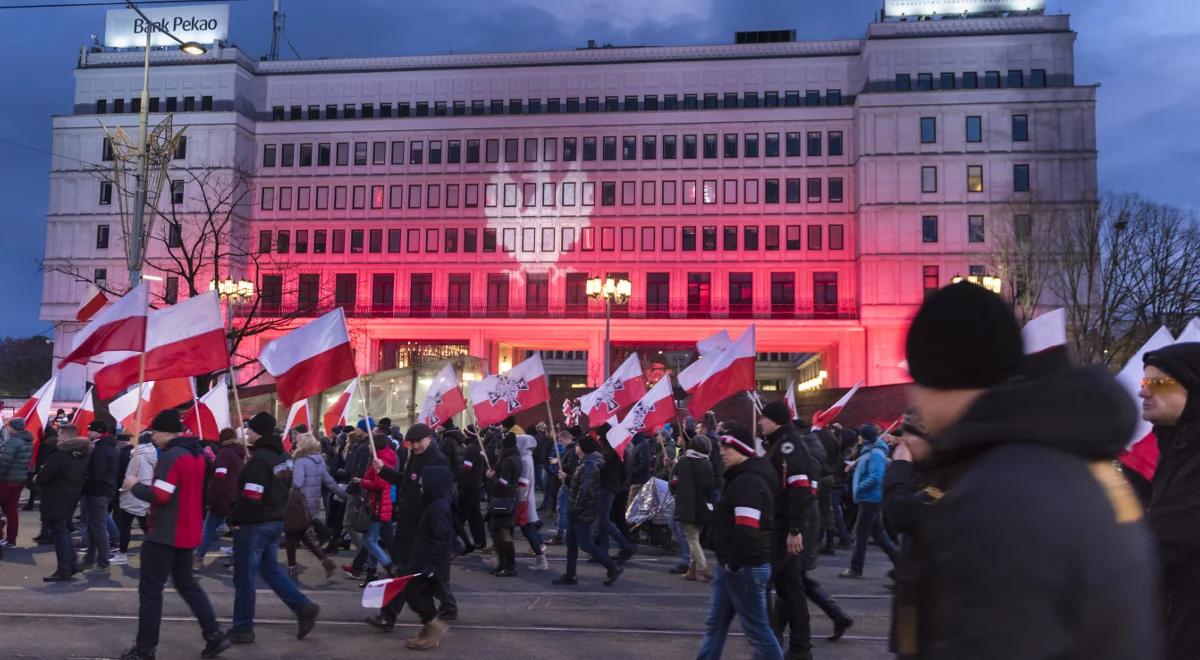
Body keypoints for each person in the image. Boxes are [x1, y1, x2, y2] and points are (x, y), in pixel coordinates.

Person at [897, 281, 1160, 658]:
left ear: (936, 376)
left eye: (914, 378)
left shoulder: (995, 498)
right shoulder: (1072, 464)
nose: (913, 398)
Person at [118, 410, 229, 660]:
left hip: (165, 533)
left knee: (150, 592)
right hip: (188, 532)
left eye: (155, 432)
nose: (153, 437)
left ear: (167, 433)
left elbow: (161, 495)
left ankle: (145, 649)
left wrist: (134, 485)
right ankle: (213, 635)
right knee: (188, 585)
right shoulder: (197, 455)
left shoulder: (171, 456)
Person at [225, 412, 320, 645]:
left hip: (255, 523)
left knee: (245, 576)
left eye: (250, 429)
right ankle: (303, 607)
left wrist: (235, 517)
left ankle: (243, 627)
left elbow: (251, 496)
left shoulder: (260, 460)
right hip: (275, 520)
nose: (246, 433)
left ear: (259, 432)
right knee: (270, 569)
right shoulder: (283, 456)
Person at [696, 428, 783, 660]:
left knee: (758, 631)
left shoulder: (748, 483)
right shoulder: (741, 478)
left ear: (742, 450)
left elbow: (747, 529)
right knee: (716, 624)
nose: (722, 452)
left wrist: (734, 564)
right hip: (734, 565)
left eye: (728, 448)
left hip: (744, 567)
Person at [1140, 342, 1200, 660]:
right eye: (1143, 382)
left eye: (1159, 383)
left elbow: (1161, 538)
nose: (1144, 392)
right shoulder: (1177, 450)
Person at [758, 400, 818, 660]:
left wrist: (794, 528)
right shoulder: (780, 443)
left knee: (789, 588)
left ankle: (797, 647)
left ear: (775, 420)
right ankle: (786, 641)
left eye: (763, 418)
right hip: (782, 524)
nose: (760, 422)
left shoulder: (787, 446)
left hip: (785, 526)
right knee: (787, 586)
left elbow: (800, 487)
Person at [552, 433, 623, 587]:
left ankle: (612, 567)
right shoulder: (585, 463)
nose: (576, 447)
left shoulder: (590, 465)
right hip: (575, 509)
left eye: (578, 445)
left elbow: (586, 491)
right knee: (571, 542)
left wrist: (576, 508)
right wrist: (569, 478)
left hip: (581, 511)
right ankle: (570, 574)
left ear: (583, 448)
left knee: (585, 544)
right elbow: (581, 485)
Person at [840, 423, 898, 578]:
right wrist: (855, 464)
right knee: (879, 534)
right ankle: (902, 563)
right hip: (871, 497)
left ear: (864, 437)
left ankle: (855, 568)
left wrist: (859, 487)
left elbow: (876, 476)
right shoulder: (873, 451)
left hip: (870, 497)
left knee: (861, 534)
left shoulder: (875, 453)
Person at [287, 431, 347, 578]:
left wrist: (287, 476)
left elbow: (297, 483)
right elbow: (329, 481)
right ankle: (325, 561)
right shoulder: (319, 460)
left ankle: (293, 567)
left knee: (291, 533)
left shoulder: (300, 461)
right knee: (300, 535)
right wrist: (344, 495)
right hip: (312, 503)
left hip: (299, 504)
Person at [36, 423, 89, 581]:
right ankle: (71, 564)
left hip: (55, 498)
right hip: (70, 497)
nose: (58, 438)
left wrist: (37, 478)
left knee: (60, 535)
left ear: (65, 436)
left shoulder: (60, 455)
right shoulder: (83, 454)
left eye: (59, 435)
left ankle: (64, 569)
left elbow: (45, 476)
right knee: (64, 531)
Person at [195, 428, 245, 567]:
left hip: (222, 499)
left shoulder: (225, 454)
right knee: (237, 531)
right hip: (236, 498)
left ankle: (198, 557)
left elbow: (219, 478)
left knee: (208, 529)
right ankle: (237, 557)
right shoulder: (241, 453)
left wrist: (210, 500)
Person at [670, 434, 714, 581]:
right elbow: (711, 487)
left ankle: (703, 567)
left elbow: (673, 483)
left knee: (692, 538)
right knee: (696, 538)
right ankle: (692, 570)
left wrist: (675, 492)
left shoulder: (682, 462)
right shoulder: (707, 464)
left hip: (685, 505)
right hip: (702, 506)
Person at [356, 432, 399, 579]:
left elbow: (380, 484)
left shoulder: (379, 461)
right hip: (380, 503)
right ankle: (371, 572)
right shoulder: (383, 458)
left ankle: (389, 565)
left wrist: (361, 481)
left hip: (377, 505)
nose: (368, 446)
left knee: (369, 540)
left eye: (370, 444)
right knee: (373, 540)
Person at [80, 420, 119, 572]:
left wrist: (85, 485)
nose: (88, 433)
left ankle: (103, 560)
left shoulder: (101, 449)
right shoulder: (109, 446)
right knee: (93, 526)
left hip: (98, 492)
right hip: (105, 491)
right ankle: (90, 558)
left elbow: (97, 474)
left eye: (90, 430)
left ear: (98, 431)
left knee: (98, 526)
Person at [593, 424, 637, 562]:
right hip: (617, 486)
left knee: (609, 519)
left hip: (615, 487)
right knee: (609, 519)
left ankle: (626, 545)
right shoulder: (619, 447)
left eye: (599, 435)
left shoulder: (615, 448)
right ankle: (604, 552)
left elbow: (605, 465)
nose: (598, 438)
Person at [115, 432, 157, 566]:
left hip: (132, 496)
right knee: (146, 527)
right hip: (146, 494)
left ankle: (122, 554)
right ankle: (155, 552)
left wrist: (122, 490)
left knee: (125, 526)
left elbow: (129, 477)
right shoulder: (153, 455)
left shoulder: (136, 457)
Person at [486, 432, 521, 576]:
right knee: (500, 532)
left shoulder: (508, 461)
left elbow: (503, 483)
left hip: (502, 499)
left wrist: (492, 476)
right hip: (510, 498)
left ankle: (508, 565)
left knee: (502, 532)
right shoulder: (517, 458)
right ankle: (504, 564)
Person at [0, 417, 35, 549]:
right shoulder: (28, 441)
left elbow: (4, 463)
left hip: (7, 480)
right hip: (19, 479)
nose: (7, 428)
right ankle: (11, 539)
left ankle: (2, 534)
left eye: (9, 426)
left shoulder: (13, 442)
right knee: (11, 510)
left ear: (14, 428)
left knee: (6, 509)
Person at [515, 434, 549, 571]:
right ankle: (540, 549)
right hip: (528, 498)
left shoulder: (523, 459)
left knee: (527, 528)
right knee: (529, 527)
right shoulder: (528, 458)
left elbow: (523, 482)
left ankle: (541, 558)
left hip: (524, 499)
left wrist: (520, 498)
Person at [457, 425, 487, 553]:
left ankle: (460, 543)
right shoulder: (480, 448)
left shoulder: (470, 449)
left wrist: (457, 474)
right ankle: (480, 541)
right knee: (475, 515)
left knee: (461, 516)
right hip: (477, 484)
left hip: (467, 485)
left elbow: (467, 468)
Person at [545, 429, 577, 545]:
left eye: (560, 440)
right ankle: (565, 533)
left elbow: (571, 467)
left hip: (567, 483)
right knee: (564, 509)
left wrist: (558, 464)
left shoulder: (572, 450)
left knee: (562, 509)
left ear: (565, 438)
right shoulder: (570, 449)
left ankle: (560, 534)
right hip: (567, 482)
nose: (560, 442)